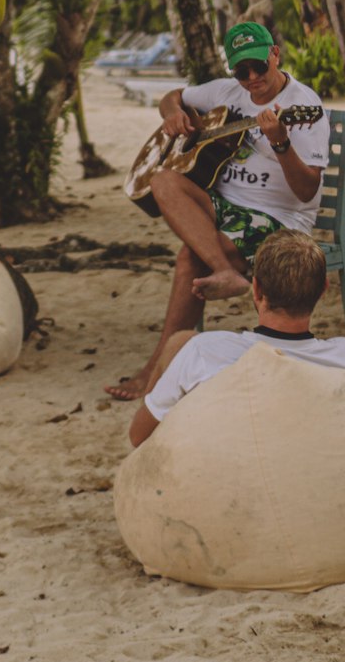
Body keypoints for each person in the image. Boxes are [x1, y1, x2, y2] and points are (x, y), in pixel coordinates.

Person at [107, 21, 330, 401]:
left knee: (190, 259)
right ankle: (225, 271)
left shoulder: (303, 107)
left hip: (278, 217)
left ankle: (155, 371)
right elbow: (172, 95)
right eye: (242, 71)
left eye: (260, 66)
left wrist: (281, 145)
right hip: (225, 207)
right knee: (162, 179)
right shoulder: (226, 93)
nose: (253, 78)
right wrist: (172, 114)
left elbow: (307, 191)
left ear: (275, 54)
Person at [128, 230, 345, 448]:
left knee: (179, 342)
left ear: (256, 290)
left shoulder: (205, 352)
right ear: (323, 290)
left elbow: (138, 436)